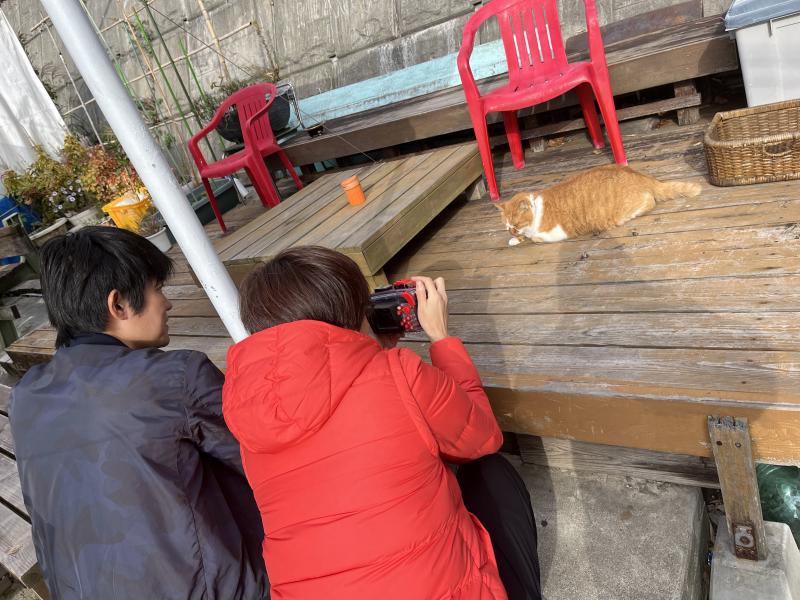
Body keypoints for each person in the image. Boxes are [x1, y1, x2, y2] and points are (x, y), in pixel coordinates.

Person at [224, 245, 541, 599]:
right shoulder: (399, 373)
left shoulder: (251, 421)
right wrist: (442, 339)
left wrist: (372, 349)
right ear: (353, 309)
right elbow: (482, 436)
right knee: (491, 471)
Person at [10, 227, 268, 599]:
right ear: (118, 305)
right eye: (157, 289)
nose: (168, 303)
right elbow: (261, 461)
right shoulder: (175, 376)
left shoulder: (26, 396)